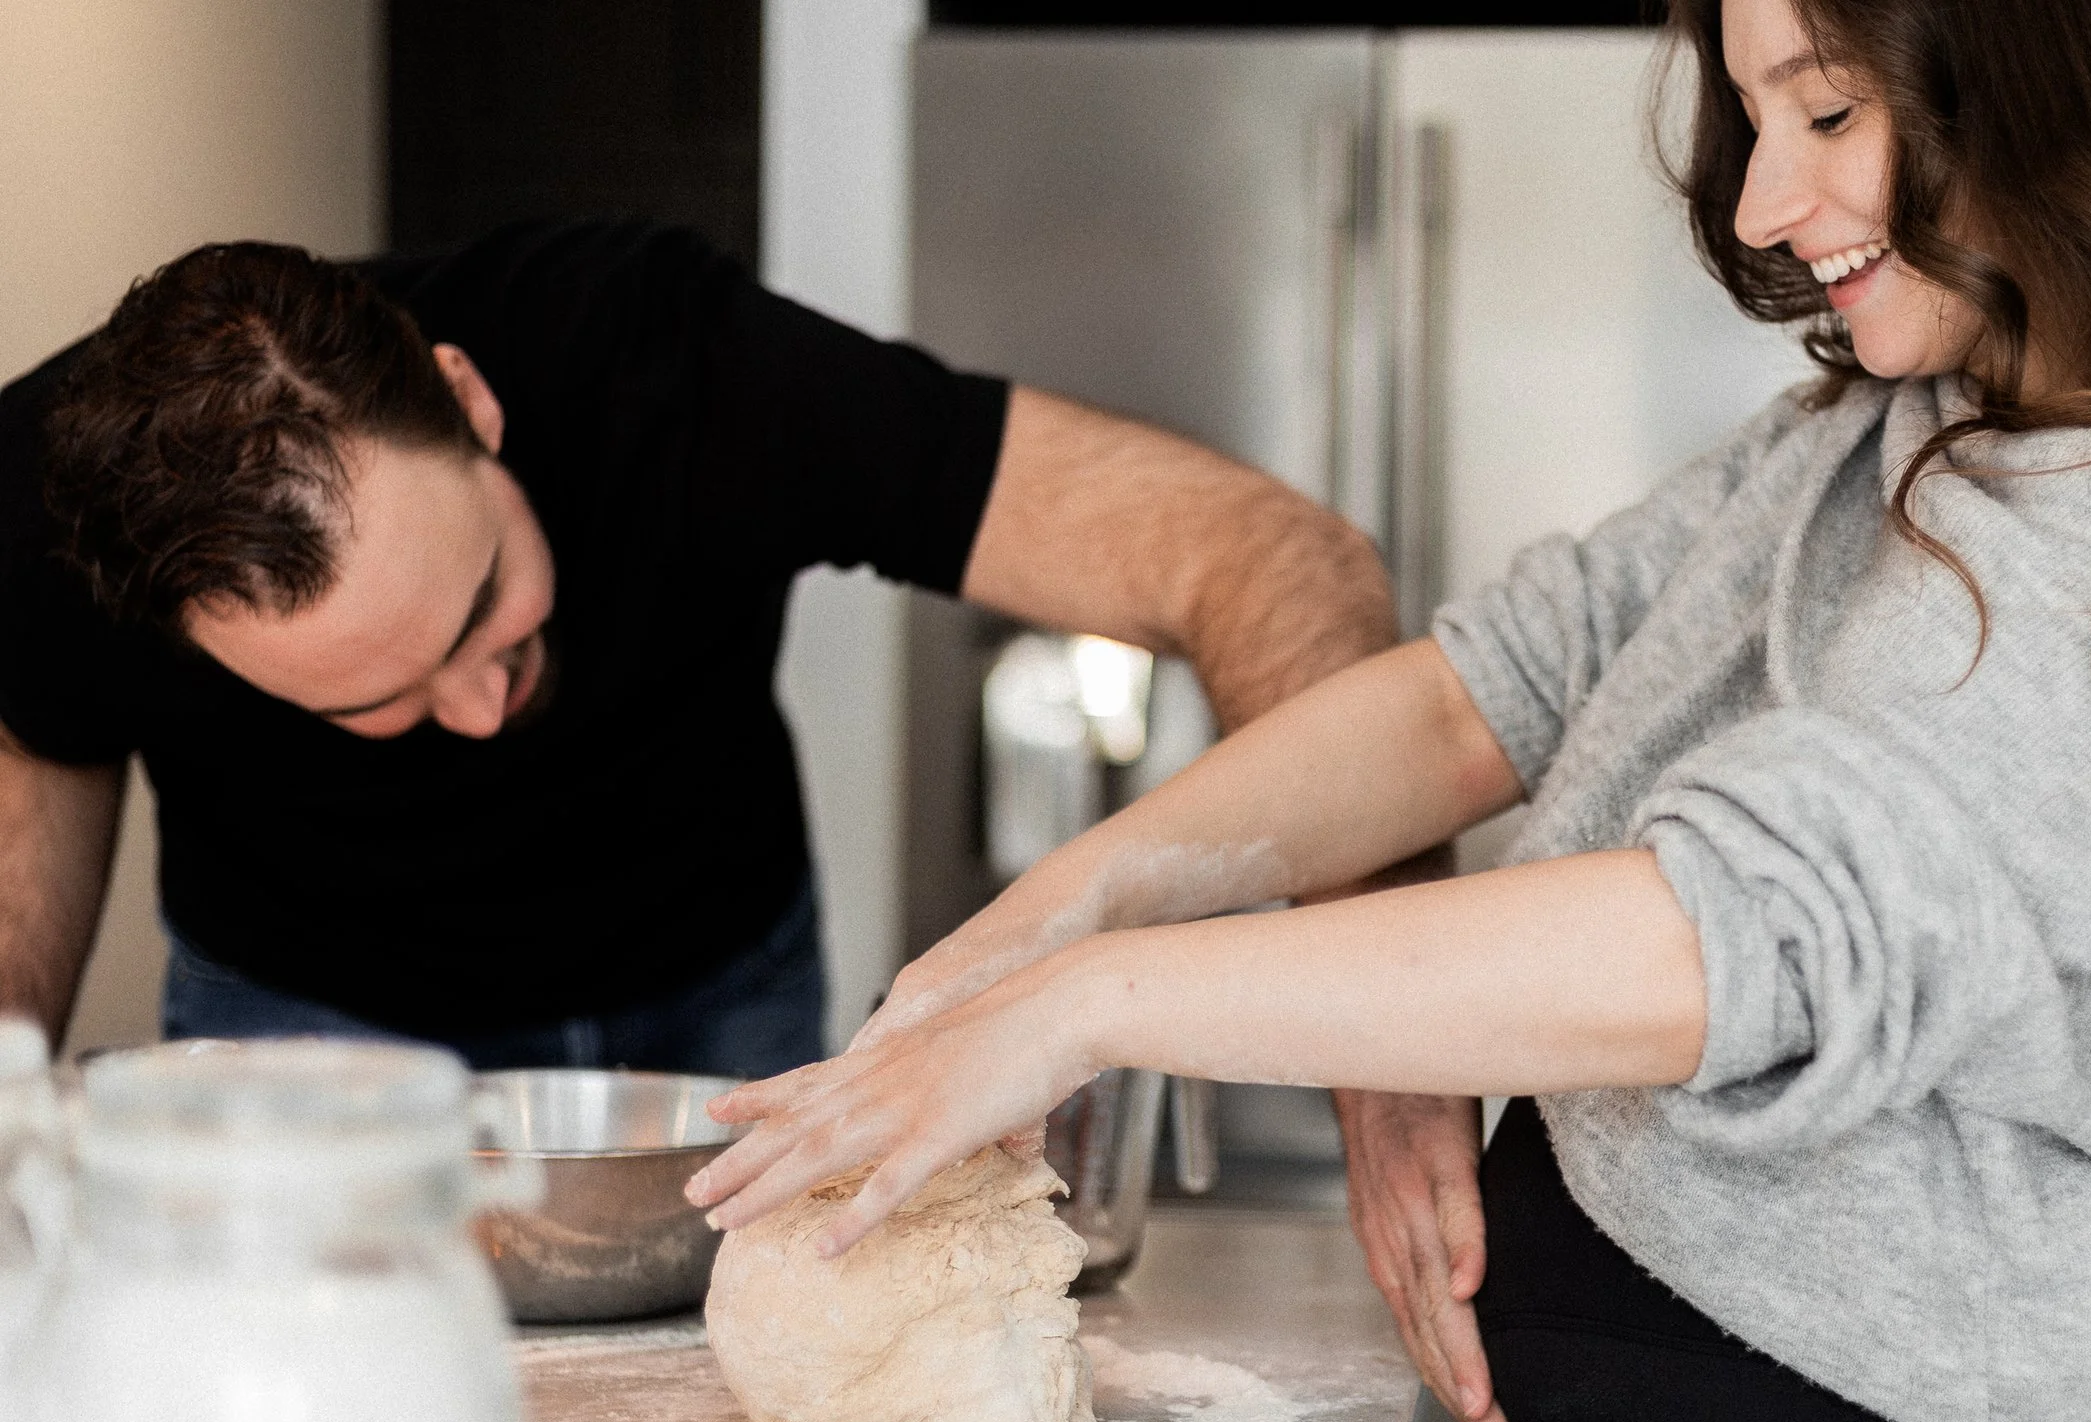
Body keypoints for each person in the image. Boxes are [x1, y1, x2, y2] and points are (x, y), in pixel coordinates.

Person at [685, 0, 2091, 1422]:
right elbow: (1480, 694)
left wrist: (1093, 1005)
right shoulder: (1892, 438)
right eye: (1755, 123)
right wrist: (1035, 931)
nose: (1770, 205)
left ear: (2059, 88)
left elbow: (1726, 940)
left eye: (1829, 112)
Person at [0, 218, 1400, 1080]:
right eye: (375, 699)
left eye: (486, 598)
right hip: (301, 1032)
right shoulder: (47, 517)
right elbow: (33, 734)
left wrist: (1375, 1037)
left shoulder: (668, 359)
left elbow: (1265, 553)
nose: (482, 711)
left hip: (715, 1006)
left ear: (468, 398)